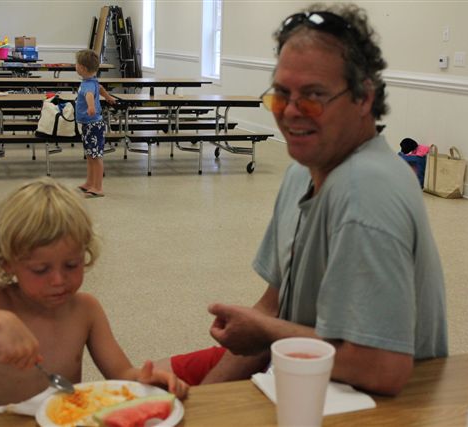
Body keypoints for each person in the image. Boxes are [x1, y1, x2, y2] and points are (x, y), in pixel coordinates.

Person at [162, 3, 448, 396]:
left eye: (313, 95)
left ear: (364, 98)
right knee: (139, 380)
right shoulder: (302, 171)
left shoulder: (366, 193)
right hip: (297, 368)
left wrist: (266, 332)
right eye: (282, 94)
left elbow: (382, 369)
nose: (292, 112)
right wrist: (203, 402)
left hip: (364, 403)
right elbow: (274, 307)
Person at [0, 178, 188, 410]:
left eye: (72, 265)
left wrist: (145, 381)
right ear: (7, 263)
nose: (58, 280)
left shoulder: (86, 309)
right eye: (40, 269)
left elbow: (122, 374)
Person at [75, 49, 116, 198]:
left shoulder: (87, 85)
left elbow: (89, 95)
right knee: (90, 155)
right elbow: (100, 89)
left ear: (82, 68)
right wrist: (108, 97)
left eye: (76, 64)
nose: (75, 66)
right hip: (89, 124)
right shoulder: (91, 81)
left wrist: (91, 106)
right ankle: (89, 182)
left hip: (93, 125)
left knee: (96, 156)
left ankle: (97, 187)